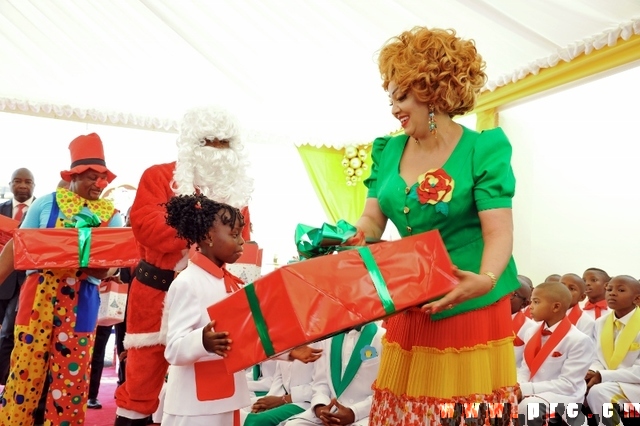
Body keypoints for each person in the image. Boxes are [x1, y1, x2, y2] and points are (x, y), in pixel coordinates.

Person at [345, 26, 520, 423]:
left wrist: (487, 279)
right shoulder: (387, 150)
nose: (393, 107)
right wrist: (358, 235)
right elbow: (372, 218)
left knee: (460, 412)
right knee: (410, 408)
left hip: (471, 299)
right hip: (412, 297)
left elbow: (499, 231)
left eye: (401, 95)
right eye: (390, 97)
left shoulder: (483, 149)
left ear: (432, 92)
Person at [115, 106, 320, 426]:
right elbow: (148, 229)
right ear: (193, 145)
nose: (218, 151)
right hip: (154, 295)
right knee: (141, 387)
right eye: (210, 141)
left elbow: (243, 249)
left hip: (214, 297)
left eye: (225, 143)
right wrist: (208, 222)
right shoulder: (158, 176)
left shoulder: (236, 195)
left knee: (210, 374)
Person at [0, 133, 123, 425]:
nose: (98, 184)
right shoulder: (45, 204)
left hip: (82, 304)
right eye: (91, 177)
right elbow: (16, 246)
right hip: (36, 303)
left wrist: (103, 270)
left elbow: (114, 264)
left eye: (102, 178)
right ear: (73, 177)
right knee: (24, 376)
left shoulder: (111, 216)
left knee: (70, 382)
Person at [161, 193, 250, 425]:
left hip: (227, 396)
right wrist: (203, 341)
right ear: (209, 236)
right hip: (194, 408)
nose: (242, 241)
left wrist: (288, 353)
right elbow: (173, 349)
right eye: (234, 234)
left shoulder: (230, 281)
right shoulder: (187, 282)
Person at [516, 282, 594, 421]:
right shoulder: (531, 332)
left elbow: (568, 384)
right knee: (495, 400)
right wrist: (517, 387)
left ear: (556, 306)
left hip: (562, 396)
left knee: (530, 407)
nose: (530, 306)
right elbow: (525, 369)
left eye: (536, 301)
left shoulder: (579, 339)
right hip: (532, 388)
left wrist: (527, 389)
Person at [286, 323, 385, 426]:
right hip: (330, 412)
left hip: (364, 414)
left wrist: (354, 412)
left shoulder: (382, 337)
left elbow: (386, 393)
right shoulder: (329, 338)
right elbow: (321, 382)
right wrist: (320, 407)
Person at [586, 275, 640, 424]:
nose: (612, 293)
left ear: (637, 299)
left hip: (635, 384)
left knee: (599, 392)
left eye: (621, 290)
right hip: (612, 381)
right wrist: (592, 371)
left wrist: (603, 376)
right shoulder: (600, 323)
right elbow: (596, 357)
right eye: (609, 289)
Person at [0, 167, 35, 388]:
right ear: (10, 184)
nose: (22, 185)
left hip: (25, 283)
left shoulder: (41, 211)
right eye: (17, 181)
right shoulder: (1, 209)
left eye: (27, 182)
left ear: (34, 185)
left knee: (9, 333)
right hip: (2, 278)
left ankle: (7, 385)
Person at [242, 351, 317, 425]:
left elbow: (321, 384)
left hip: (307, 401)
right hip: (283, 396)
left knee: (258, 421)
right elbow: (278, 376)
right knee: (240, 411)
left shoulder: (319, 343)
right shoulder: (285, 342)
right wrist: (267, 402)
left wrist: (283, 399)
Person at [560, 273, 595, 339]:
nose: (564, 290)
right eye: (561, 286)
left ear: (582, 297)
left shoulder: (586, 321)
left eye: (572, 288)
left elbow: (583, 346)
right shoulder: (544, 313)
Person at [511, 277, 535, 368]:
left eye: (513, 294)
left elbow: (526, 367)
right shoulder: (486, 319)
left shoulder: (530, 327)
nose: (504, 298)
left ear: (524, 304)